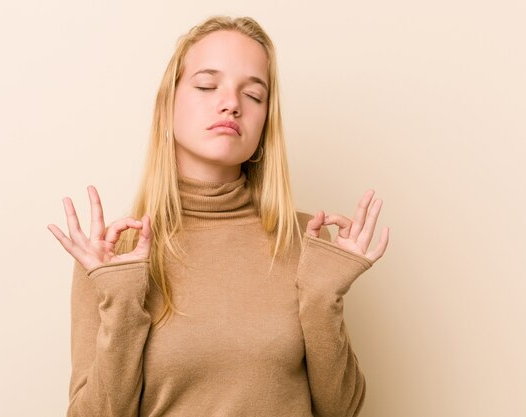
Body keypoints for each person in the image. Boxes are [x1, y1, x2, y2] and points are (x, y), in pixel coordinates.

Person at [47, 15, 389, 417]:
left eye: (254, 95)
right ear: (167, 104)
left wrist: (322, 297)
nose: (231, 103)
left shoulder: (303, 238)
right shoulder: (110, 252)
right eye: (207, 85)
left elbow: (341, 410)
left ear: (265, 123)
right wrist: (121, 301)